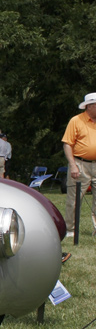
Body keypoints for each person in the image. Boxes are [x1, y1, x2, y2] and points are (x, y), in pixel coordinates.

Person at [62, 92, 96, 237]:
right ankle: (70, 229)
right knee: (74, 198)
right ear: (89, 106)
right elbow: (68, 144)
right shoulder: (76, 120)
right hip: (80, 163)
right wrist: (73, 165)